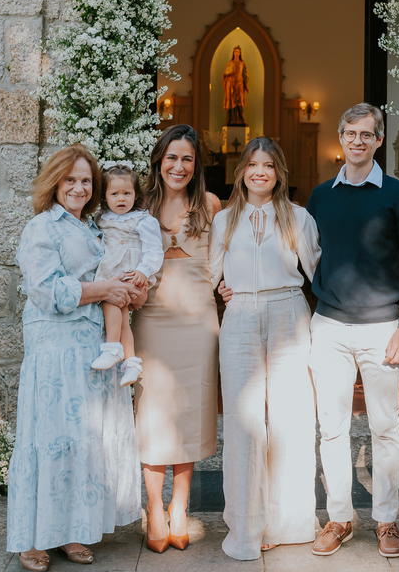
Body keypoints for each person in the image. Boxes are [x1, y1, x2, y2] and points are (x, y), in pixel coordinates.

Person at [6, 145, 146, 572]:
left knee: (83, 441)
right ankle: (32, 540)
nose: (80, 188)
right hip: (55, 348)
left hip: (92, 346)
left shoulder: (92, 229)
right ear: (55, 183)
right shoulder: (41, 228)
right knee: (49, 438)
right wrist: (106, 290)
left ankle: (70, 532)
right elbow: (49, 291)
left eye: (86, 181)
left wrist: (127, 292)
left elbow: (109, 283)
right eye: (71, 180)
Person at [304, 103, 399, 559]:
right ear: (341, 137)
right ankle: (340, 519)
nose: (358, 141)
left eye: (367, 134)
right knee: (332, 429)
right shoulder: (320, 197)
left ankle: (387, 521)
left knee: (385, 428)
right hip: (330, 326)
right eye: (350, 133)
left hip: (383, 328)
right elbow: (307, 258)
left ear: (379, 140)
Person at [210, 136, 321, 561]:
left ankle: (286, 522)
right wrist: (222, 291)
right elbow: (209, 273)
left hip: (288, 312)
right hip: (239, 316)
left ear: (279, 174)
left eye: (269, 166)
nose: (260, 171)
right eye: (253, 164)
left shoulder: (298, 217)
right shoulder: (224, 220)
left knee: (291, 418)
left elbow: (318, 272)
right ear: (241, 171)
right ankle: (246, 524)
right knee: (244, 421)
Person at [131, 126, 222, 554]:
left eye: (187, 159)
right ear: (158, 161)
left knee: (188, 409)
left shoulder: (210, 206)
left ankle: (181, 507)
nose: (178, 166)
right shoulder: (139, 204)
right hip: (150, 318)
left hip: (198, 322)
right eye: (171, 158)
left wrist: (229, 288)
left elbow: (223, 262)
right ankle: (153, 507)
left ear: (195, 164)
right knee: (152, 411)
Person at [90, 162, 164, 388]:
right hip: (111, 269)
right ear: (104, 196)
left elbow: (154, 249)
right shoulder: (102, 218)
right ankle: (131, 361)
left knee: (112, 303)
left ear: (135, 194)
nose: (121, 199)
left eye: (126, 193)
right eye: (114, 194)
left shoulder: (142, 219)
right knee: (122, 318)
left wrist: (143, 270)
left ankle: (113, 347)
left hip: (129, 271)